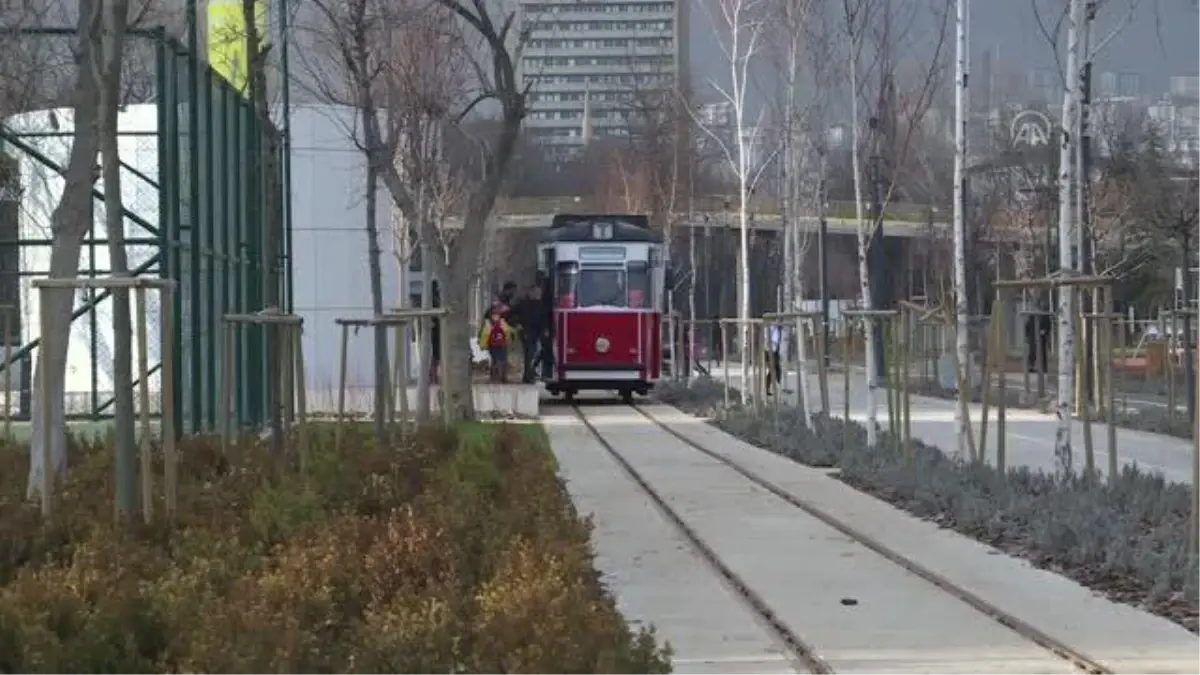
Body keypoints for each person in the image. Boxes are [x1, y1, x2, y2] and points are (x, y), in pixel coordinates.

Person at [512, 284, 546, 383]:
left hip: (539, 332)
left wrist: (545, 329)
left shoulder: (541, 304)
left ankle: (531, 371)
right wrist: (517, 324)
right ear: (530, 292)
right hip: (526, 332)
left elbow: (544, 318)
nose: (537, 295)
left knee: (540, 352)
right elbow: (510, 314)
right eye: (535, 293)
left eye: (539, 293)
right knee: (530, 353)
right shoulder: (522, 303)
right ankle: (528, 376)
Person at [478, 303, 515, 384]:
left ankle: (503, 377)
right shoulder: (487, 323)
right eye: (494, 315)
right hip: (493, 345)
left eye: (497, 315)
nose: (496, 317)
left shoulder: (502, 322)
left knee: (503, 360)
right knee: (495, 361)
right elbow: (483, 334)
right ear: (491, 315)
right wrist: (482, 343)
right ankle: (495, 377)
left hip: (502, 344)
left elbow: (509, 331)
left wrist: (512, 337)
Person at [765, 323, 783, 395]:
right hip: (769, 350)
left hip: (774, 351)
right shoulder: (771, 328)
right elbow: (771, 340)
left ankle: (777, 386)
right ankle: (772, 388)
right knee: (773, 369)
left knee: (776, 369)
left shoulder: (777, 329)